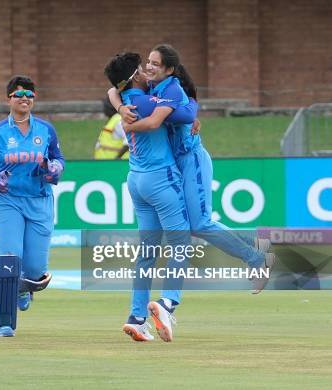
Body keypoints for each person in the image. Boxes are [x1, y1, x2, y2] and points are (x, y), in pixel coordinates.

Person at [109, 44, 274, 296]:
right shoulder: (151, 88)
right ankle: (254, 246)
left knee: (200, 223)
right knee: (197, 225)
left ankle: (256, 259)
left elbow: (184, 114)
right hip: (177, 162)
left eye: (155, 63)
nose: (149, 67)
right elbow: (113, 89)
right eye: (148, 63)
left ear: (170, 70)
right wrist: (120, 107)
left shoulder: (171, 89)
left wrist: (131, 126)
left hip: (191, 159)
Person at [104, 53, 201, 342]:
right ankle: (168, 302)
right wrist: (194, 110)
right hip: (160, 178)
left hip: (136, 179)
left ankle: (136, 318)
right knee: (181, 242)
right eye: (143, 67)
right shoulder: (147, 102)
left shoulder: (128, 98)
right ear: (135, 75)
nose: (149, 69)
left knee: (147, 252)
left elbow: (111, 90)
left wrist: (119, 105)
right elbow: (187, 113)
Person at [0, 76, 64, 336]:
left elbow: (58, 158)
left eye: (30, 95)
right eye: (19, 94)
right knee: (10, 260)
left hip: (39, 201)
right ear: (8, 99)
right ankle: (4, 322)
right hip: (6, 201)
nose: (25, 99)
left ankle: (24, 288)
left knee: (34, 269)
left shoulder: (46, 130)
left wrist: (53, 168)